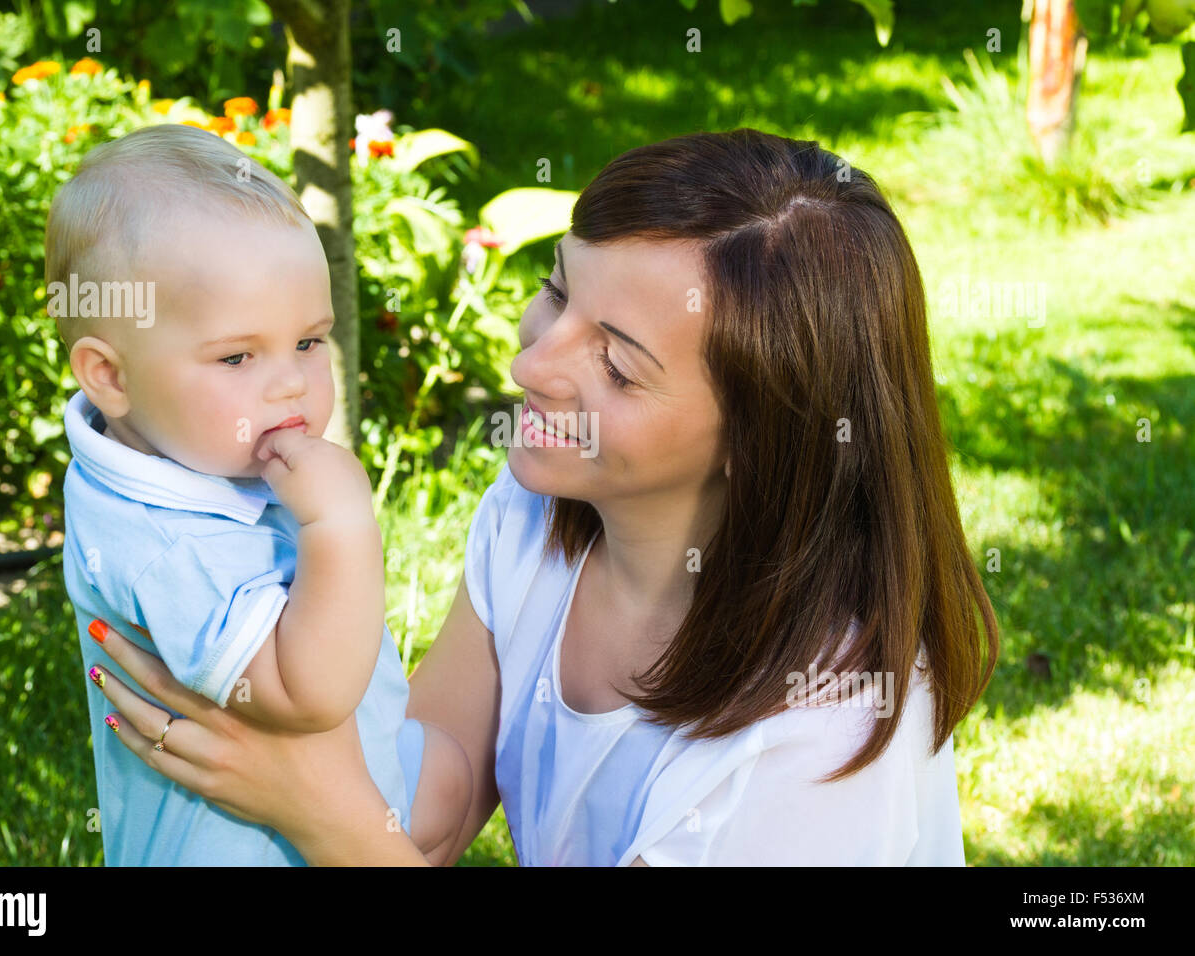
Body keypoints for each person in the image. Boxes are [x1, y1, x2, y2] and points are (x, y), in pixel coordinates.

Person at [84, 128, 999, 865]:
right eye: (556, 290)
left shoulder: (822, 729)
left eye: (615, 363)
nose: (531, 365)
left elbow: (374, 838)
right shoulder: (536, 518)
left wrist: (317, 813)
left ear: (759, 442)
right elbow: (427, 819)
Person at [52, 123, 470, 866]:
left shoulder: (170, 454)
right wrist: (340, 523)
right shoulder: (173, 546)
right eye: (238, 355)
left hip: (333, 810)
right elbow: (307, 695)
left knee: (452, 780)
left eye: (310, 341)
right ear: (110, 377)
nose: (288, 382)